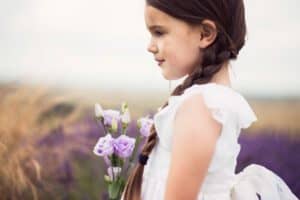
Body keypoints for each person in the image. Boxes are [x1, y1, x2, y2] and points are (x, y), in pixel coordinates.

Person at [121, 0, 299, 199]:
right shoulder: (206, 102)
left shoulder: (201, 107)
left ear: (205, 34)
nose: (150, 46)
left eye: (159, 32)